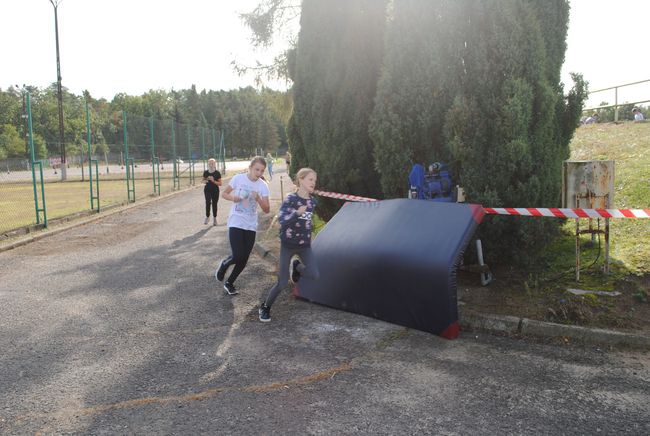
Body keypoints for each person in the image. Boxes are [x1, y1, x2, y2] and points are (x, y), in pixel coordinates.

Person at [258, 168, 319, 322]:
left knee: (314, 274)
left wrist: (309, 228)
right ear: (301, 180)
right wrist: (296, 214)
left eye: (315, 180)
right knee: (282, 282)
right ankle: (265, 307)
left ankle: (297, 267)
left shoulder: (312, 202)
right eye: (311, 179)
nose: (314, 183)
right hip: (288, 245)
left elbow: (309, 221)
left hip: (305, 245)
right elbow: (282, 221)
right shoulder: (290, 199)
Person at [215, 156, 270, 295]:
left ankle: (230, 283)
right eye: (257, 169)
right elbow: (224, 193)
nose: (259, 173)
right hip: (236, 221)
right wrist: (234, 198)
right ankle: (224, 264)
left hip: (251, 225)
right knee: (238, 255)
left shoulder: (263, 186)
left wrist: (258, 198)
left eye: (262, 171)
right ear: (250, 167)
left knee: (244, 259)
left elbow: (267, 209)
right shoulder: (238, 179)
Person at [202, 158, 222, 226]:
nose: (211, 165)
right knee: (207, 202)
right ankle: (207, 217)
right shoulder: (206, 172)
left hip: (215, 190)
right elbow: (203, 181)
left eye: (212, 163)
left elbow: (220, 183)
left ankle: (215, 218)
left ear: (215, 164)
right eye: (210, 163)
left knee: (214, 204)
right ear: (208, 164)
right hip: (207, 189)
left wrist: (213, 181)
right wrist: (206, 180)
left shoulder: (217, 173)